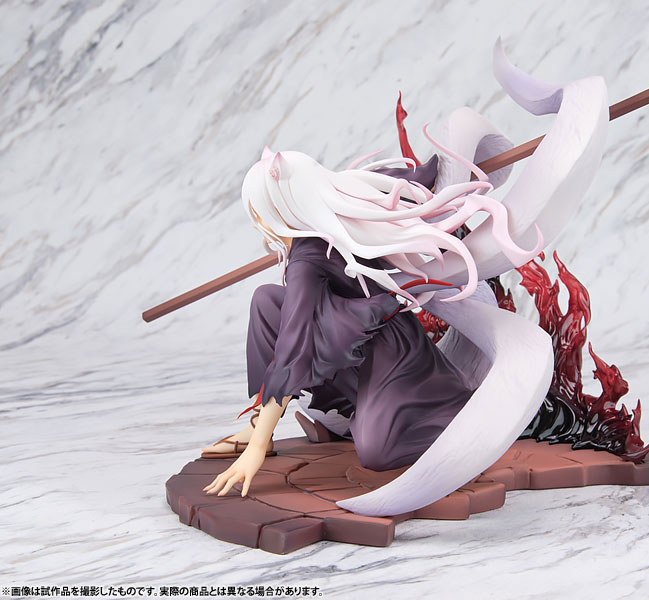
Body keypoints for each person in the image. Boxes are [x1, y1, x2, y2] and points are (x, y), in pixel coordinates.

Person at [202, 40, 610, 517]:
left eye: (260, 215)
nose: (261, 227)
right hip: (358, 349)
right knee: (266, 301)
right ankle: (294, 417)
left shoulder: (311, 254)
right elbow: (416, 180)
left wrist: (258, 446)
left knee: (379, 451)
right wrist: (260, 430)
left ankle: (454, 413)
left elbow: (294, 347)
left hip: (395, 356)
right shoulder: (342, 211)